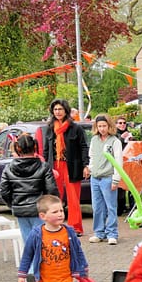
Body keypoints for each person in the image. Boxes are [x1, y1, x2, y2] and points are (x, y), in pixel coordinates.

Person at [42, 99, 89, 235]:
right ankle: (55, 226)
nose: (58, 112)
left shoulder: (76, 128)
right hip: (54, 166)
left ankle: (75, 228)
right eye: (55, 109)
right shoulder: (50, 128)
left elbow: (83, 147)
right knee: (55, 198)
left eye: (60, 109)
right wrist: (46, 166)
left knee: (73, 198)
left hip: (71, 166)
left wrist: (85, 165)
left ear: (66, 110)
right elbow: (46, 150)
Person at [0, 133, 58, 242]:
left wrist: (13, 205)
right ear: (35, 147)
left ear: (18, 148)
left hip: (20, 210)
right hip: (40, 210)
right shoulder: (43, 167)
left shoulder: (9, 168)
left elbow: (4, 191)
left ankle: (31, 259)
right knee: (43, 243)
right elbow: (51, 190)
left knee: (28, 243)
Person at [87, 114, 123, 245]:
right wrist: (90, 168)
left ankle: (112, 233)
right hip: (95, 178)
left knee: (111, 207)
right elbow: (91, 156)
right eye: (99, 126)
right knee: (97, 207)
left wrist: (115, 179)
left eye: (104, 126)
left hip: (108, 177)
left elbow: (118, 161)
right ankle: (99, 232)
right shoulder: (94, 140)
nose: (102, 129)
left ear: (109, 126)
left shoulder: (115, 141)